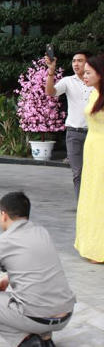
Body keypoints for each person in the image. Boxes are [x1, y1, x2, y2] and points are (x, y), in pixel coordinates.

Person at [0, 192, 75, 347]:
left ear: (3, 215)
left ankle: (27, 341)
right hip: (66, 313)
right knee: (36, 293)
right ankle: (46, 339)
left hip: (37, 317)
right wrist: (8, 278)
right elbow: (38, 268)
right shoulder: (42, 232)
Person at [45, 51, 93, 198]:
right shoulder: (68, 81)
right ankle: (81, 205)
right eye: (73, 61)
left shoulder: (97, 82)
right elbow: (50, 92)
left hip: (95, 134)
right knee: (77, 173)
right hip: (74, 134)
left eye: (80, 60)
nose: (76, 64)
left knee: (95, 172)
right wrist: (51, 72)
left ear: (88, 63)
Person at [74, 54, 104, 264]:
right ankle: (91, 244)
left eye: (88, 72)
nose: (84, 76)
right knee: (91, 196)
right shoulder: (94, 93)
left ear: (100, 74)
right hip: (92, 149)